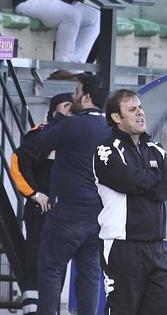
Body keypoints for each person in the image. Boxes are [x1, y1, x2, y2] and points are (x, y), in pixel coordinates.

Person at [93, 89, 167, 314]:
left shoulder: (155, 148)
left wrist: (143, 184)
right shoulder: (106, 151)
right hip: (123, 246)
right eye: (132, 110)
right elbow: (126, 180)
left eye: (140, 108)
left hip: (157, 248)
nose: (140, 113)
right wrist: (152, 181)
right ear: (116, 118)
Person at [33, 75, 110, 315]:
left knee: (51, 268)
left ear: (86, 97)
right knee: (90, 274)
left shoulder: (72, 123)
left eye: (77, 91)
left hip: (67, 213)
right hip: (99, 215)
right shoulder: (111, 127)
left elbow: (36, 145)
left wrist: (57, 118)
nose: (73, 96)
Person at [10, 93, 73, 315]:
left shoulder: (73, 137)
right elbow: (17, 162)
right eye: (68, 106)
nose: (72, 110)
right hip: (40, 211)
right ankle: (32, 311)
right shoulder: (40, 135)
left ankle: (50, 309)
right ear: (56, 110)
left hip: (64, 214)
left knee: (59, 265)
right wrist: (34, 194)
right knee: (37, 260)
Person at [12, 0, 100, 79]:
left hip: (64, 3)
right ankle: (60, 68)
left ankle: (75, 68)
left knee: (95, 16)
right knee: (71, 15)